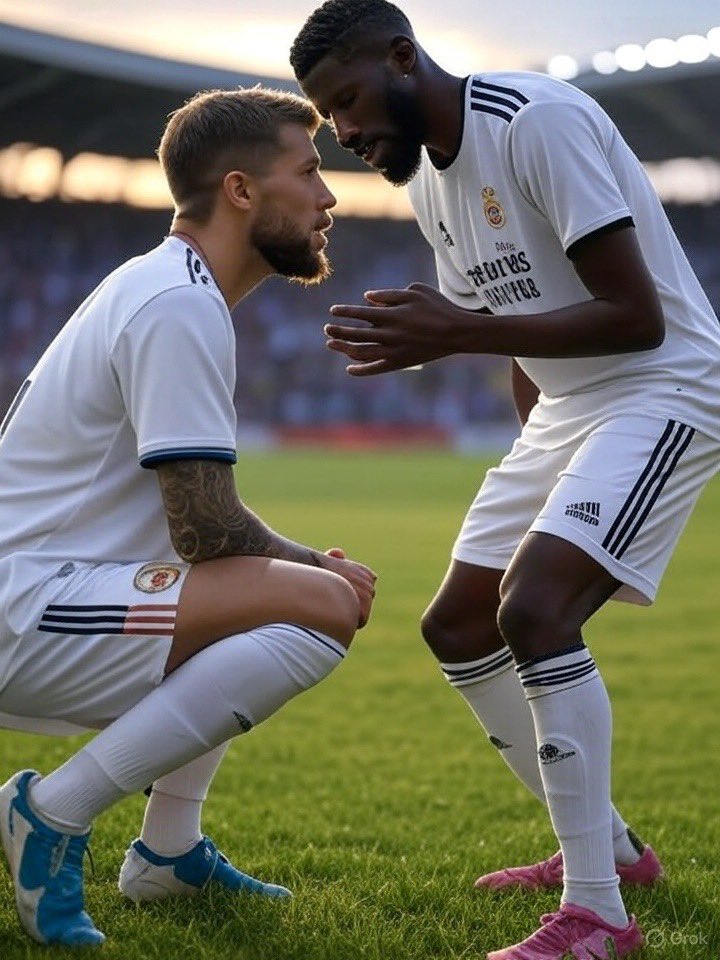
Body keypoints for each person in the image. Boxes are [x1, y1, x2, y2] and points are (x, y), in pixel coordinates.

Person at [290, 3, 720, 958]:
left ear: (404, 58)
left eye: (349, 100)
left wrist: (454, 332)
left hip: (664, 384)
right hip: (570, 407)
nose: (345, 131)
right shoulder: (427, 182)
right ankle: (613, 851)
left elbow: (636, 315)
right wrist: (537, 439)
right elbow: (505, 325)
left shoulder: (535, 122)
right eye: (329, 116)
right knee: (456, 625)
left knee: (535, 610)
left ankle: (598, 912)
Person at [0, 86, 377, 947]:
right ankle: (51, 813)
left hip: (47, 592)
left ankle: (168, 853)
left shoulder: (171, 286)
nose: (328, 197)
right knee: (318, 606)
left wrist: (297, 564)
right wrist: (320, 568)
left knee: (267, 593)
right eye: (308, 172)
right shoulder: (177, 302)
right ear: (240, 190)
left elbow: (205, 527)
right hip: (23, 606)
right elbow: (206, 531)